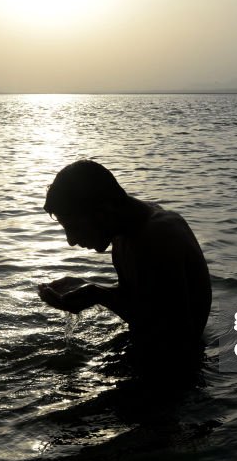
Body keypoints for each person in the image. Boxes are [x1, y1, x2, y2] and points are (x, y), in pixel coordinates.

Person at [38, 160, 211, 373]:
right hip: (153, 355)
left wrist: (98, 295)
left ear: (104, 210)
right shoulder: (126, 230)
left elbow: (177, 334)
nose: (71, 241)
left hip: (175, 374)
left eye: (74, 227)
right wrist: (88, 288)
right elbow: (144, 299)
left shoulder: (157, 237)